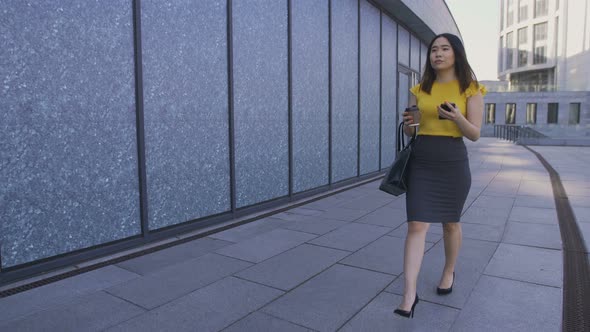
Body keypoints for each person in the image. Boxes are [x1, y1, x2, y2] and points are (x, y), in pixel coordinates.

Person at [393, 33, 486, 318]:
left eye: (445, 48)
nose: (438, 54)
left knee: (450, 224)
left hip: (453, 162)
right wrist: (409, 124)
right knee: (416, 226)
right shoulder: (419, 89)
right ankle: (409, 294)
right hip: (422, 161)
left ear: (456, 53)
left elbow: (475, 134)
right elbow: (412, 131)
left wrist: (457, 117)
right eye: (434, 49)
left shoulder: (471, 88)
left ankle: (449, 270)